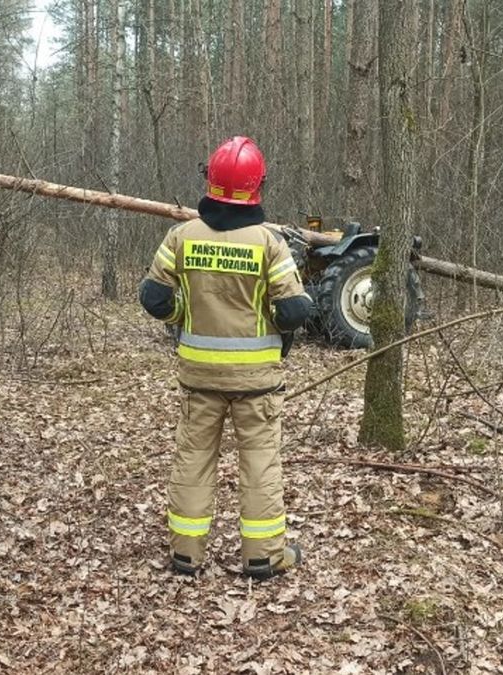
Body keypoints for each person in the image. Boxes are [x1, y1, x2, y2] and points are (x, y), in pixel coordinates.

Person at [139, 136, 314, 579]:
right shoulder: (268, 242)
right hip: (256, 382)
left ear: (210, 180)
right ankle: (263, 557)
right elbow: (294, 311)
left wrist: (187, 313)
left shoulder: (181, 236)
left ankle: (186, 555)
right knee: (259, 464)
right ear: (258, 185)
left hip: (198, 375)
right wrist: (269, 319)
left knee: (193, 460)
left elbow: (155, 299)